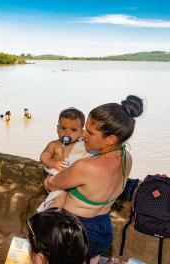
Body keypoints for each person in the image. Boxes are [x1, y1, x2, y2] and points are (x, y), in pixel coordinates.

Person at [44, 95, 144, 263]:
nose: (83, 134)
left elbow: (52, 182)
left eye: (89, 132)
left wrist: (51, 179)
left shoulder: (86, 166)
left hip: (75, 231)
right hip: (103, 228)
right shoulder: (127, 157)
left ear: (110, 139)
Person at [37, 107, 90, 212]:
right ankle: (51, 212)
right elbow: (43, 157)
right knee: (61, 196)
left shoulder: (82, 146)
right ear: (57, 128)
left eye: (73, 130)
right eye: (63, 128)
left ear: (81, 132)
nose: (67, 132)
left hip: (72, 177)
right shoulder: (54, 145)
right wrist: (53, 163)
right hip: (56, 176)